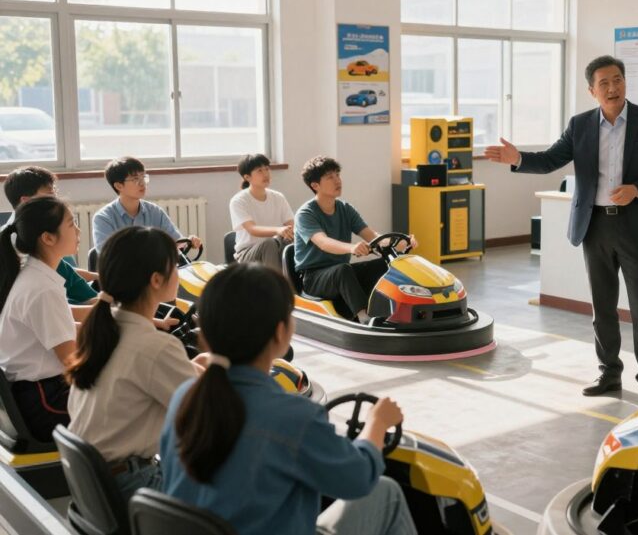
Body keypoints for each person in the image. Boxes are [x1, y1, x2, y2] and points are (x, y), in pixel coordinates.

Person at [159, 263, 416, 535]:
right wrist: (377, 423)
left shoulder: (183, 398)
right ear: (281, 333)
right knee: (387, 493)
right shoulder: (293, 416)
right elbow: (359, 478)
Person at [484, 55, 638, 405]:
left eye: (617, 80)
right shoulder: (580, 125)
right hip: (595, 225)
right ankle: (609, 373)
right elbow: (549, 160)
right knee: (602, 306)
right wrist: (517, 158)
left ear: (625, 83)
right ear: (592, 91)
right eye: (604, 83)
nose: (612, 87)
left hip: (636, 224)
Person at [66, 227, 208, 501]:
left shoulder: (102, 330)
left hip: (98, 484)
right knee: (254, 488)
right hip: (133, 483)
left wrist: (201, 366)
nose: (179, 273)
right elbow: (205, 413)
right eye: (175, 265)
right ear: (156, 279)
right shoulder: (154, 346)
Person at [293, 156, 415, 323]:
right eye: (330, 177)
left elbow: (372, 236)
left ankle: (389, 312)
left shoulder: (345, 209)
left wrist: (399, 242)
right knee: (343, 270)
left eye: (338, 174)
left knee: (385, 264)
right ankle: (364, 318)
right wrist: (351, 248)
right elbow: (323, 242)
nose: (338, 180)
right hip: (314, 278)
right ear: (315, 185)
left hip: (341, 272)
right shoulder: (306, 214)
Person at [0, 197, 79, 441]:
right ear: (47, 238)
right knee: (134, 404)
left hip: (35, 394)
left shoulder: (33, 275)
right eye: (71, 224)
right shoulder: (42, 289)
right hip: (45, 401)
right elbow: (71, 362)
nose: (77, 230)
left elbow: (61, 334)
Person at [3, 165, 98, 304]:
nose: (56, 201)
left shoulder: (43, 230)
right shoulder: (31, 241)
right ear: (26, 201)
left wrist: (97, 277)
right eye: (50, 195)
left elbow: (68, 275)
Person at [92, 157, 202, 252]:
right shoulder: (103, 218)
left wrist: (189, 242)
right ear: (119, 186)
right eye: (135, 179)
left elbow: (175, 242)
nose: (142, 183)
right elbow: (108, 256)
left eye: (143, 177)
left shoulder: (155, 212)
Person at [229, 154, 294, 269]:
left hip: (276, 244)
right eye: (259, 171)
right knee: (269, 244)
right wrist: (278, 230)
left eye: (267, 169)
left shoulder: (278, 197)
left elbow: (291, 225)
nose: (265, 174)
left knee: (295, 242)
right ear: (247, 177)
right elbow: (252, 229)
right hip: (247, 252)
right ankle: (276, 286)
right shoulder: (239, 201)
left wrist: (291, 232)